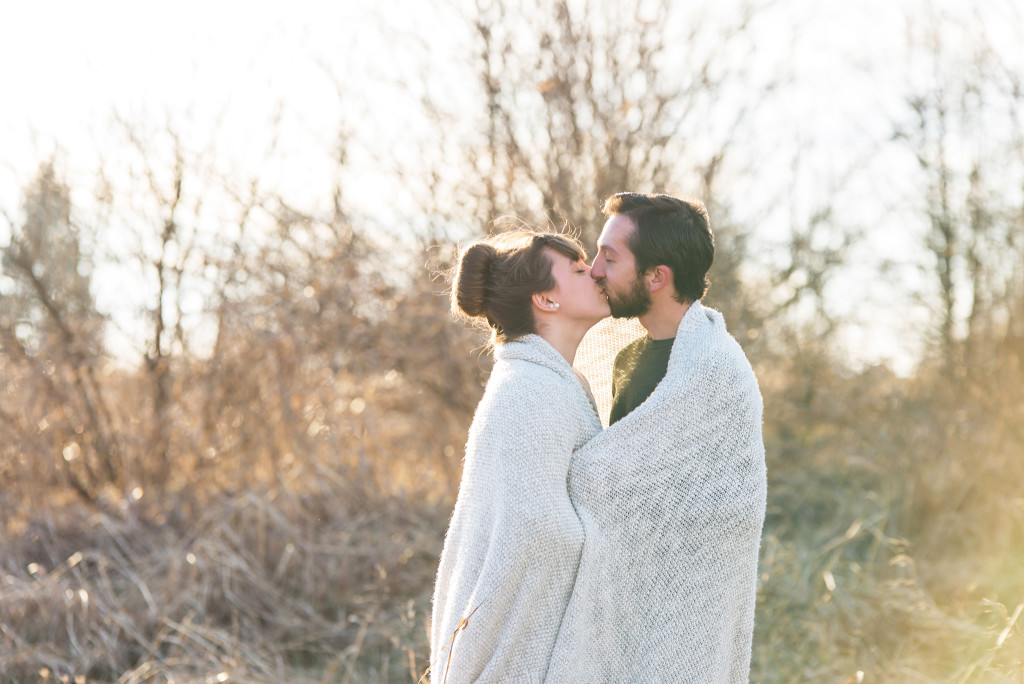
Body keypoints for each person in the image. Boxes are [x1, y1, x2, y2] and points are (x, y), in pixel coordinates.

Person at [545, 193, 767, 683]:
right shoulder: (623, 358)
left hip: (687, 611)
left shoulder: (716, 373)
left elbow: (729, 513)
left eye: (611, 256)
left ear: (656, 276)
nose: (594, 268)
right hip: (620, 597)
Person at [429, 230, 610, 684]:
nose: (596, 272)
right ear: (546, 299)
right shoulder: (529, 392)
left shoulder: (540, 382)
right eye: (577, 268)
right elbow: (536, 532)